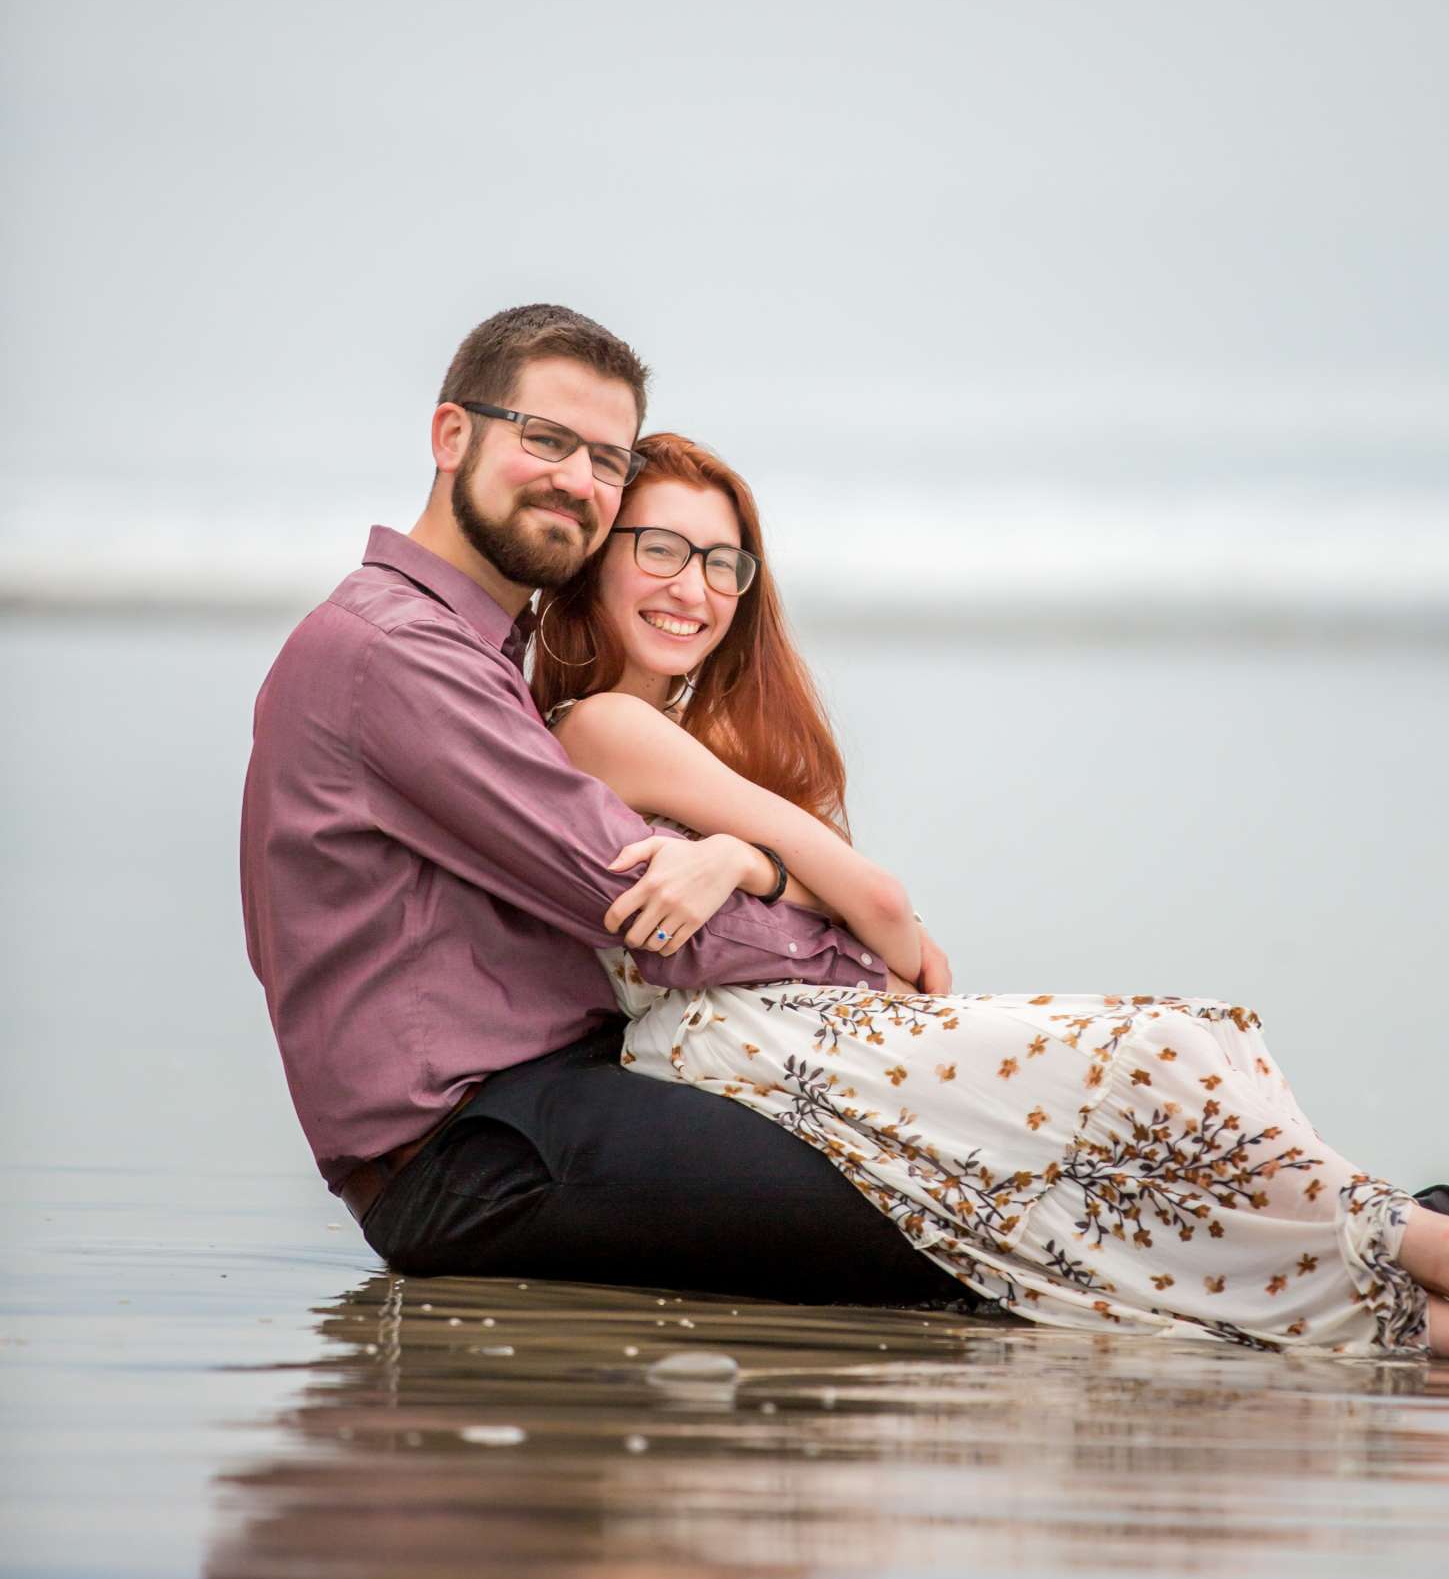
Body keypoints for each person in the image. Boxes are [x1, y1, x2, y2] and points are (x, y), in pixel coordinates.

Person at [530, 429, 1449, 1362]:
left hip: (797, 1030)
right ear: (596, 563)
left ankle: (1410, 1294)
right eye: (660, 549)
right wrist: (775, 867)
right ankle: (1440, 1244)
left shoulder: (699, 744)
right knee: (1161, 1056)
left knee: (1160, 1103)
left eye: (723, 560)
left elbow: (872, 922)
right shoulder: (604, 723)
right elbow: (888, 910)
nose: (695, 586)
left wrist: (742, 862)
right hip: (738, 1049)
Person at [241, 304, 957, 1309]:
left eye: (606, 459)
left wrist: (756, 869)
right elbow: (650, 921)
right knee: (936, 1216)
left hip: (539, 1109)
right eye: (545, 439)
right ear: (453, 437)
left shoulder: (477, 655)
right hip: (473, 1150)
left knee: (967, 1178)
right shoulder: (398, 654)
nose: (577, 480)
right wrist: (859, 948)